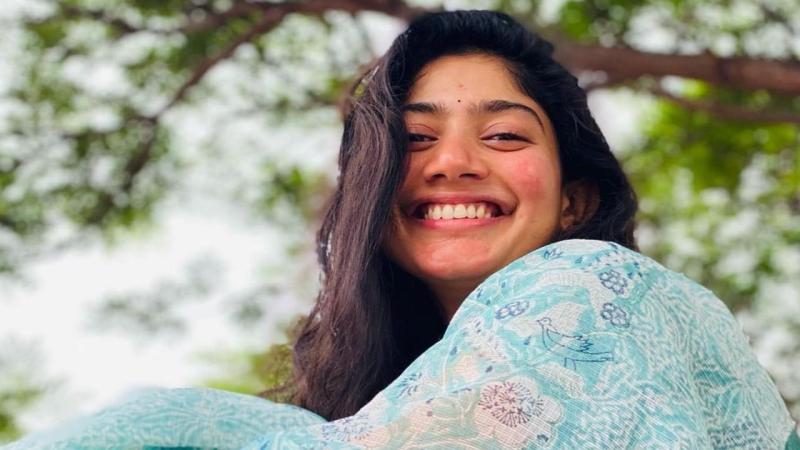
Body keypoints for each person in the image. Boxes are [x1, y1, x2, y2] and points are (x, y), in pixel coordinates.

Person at [3, 9, 797, 450]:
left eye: (504, 135)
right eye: (414, 140)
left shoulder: (601, 286)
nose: (452, 163)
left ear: (574, 202)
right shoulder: (359, 415)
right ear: (372, 203)